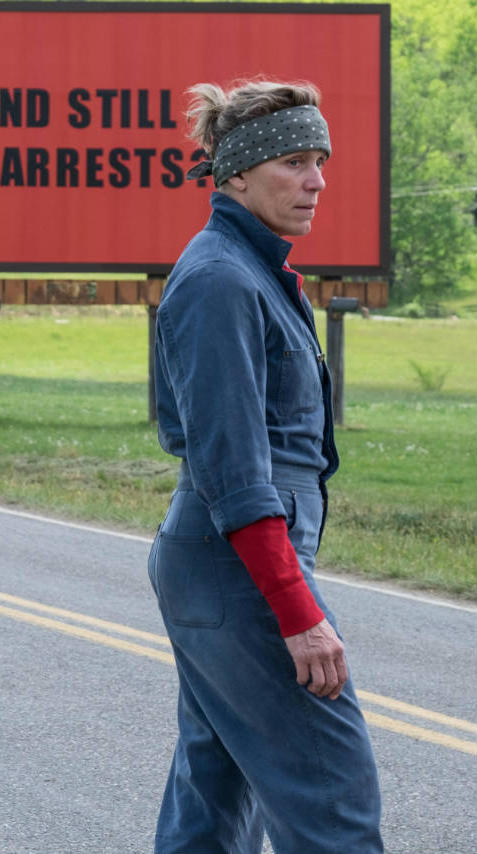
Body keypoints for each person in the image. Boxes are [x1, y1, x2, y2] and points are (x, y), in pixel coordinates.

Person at [148, 79, 384, 854]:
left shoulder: (248, 269)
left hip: (223, 562)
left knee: (214, 792)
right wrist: (297, 612)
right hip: (236, 564)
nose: (315, 180)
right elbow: (234, 472)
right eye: (293, 161)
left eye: (319, 160)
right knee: (331, 796)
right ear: (236, 175)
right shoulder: (220, 280)